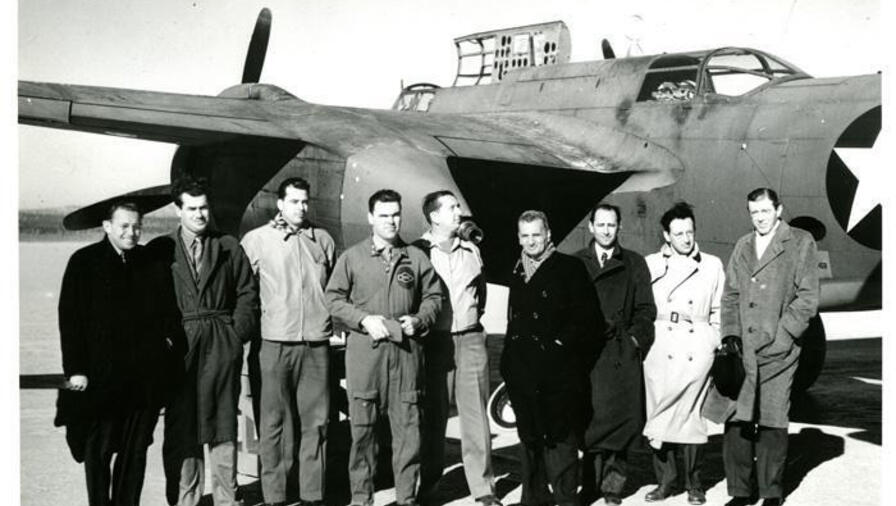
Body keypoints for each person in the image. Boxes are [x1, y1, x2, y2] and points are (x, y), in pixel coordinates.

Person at [325, 189, 442, 506]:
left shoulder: (415, 258)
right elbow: (333, 299)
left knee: (409, 433)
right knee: (362, 434)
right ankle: (361, 499)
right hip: (367, 355)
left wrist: (418, 320)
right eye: (384, 215)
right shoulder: (352, 258)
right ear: (370, 218)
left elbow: (434, 298)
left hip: (406, 356)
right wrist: (363, 320)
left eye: (395, 214)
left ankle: (406, 498)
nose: (391, 221)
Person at [56, 201, 178, 506]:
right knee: (98, 454)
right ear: (107, 226)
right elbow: (70, 321)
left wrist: (166, 351)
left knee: (134, 455)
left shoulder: (148, 263)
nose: (131, 232)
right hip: (101, 381)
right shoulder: (84, 262)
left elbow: (166, 314)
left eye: (137, 226)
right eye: (124, 226)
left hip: (141, 383)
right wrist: (76, 369)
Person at [149, 176, 259, 506]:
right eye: (193, 208)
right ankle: (186, 500)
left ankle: (227, 499)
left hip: (220, 344)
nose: (200, 214)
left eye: (204, 207)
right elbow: (149, 301)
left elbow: (247, 293)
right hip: (180, 349)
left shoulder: (227, 246)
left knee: (223, 426)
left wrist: (235, 334)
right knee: (183, 429)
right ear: (178, 210)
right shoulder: (160, 250)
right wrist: (164, 341)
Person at [715, 188, 819, 506]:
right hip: (743, 350)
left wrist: (785, 335)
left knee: (773, 420)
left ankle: (771, 491)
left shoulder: (800, 242)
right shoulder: (743, 245)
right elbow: (731, 295)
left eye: (764, 211)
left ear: (779, 210)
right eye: (754, 213)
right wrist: (730, 335)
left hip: (779, 352)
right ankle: (741, 492)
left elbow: (808, 298)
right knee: (737, 421)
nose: (759, 218)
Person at [240, 177, 335, 506]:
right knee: (274, 424)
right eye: (294, 201)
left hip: (316, 346)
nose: (301, 207)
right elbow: (244, 293)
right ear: (280, 204)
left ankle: (312, 495)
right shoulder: (257, 241)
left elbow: (335, 290)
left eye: (305, 201)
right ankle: (276, 496)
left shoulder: (322, 240)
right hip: (275, 344)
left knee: (317, 422)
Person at [502, 210, 600, 506]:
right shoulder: (519, 268)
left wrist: (558, 345)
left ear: (548, 235)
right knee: (530, 439)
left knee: (560, 439)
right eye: (525, 235)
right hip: (522, 371)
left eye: (536, 235)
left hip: (557, 372)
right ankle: (533, 499)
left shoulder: (569, 267)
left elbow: (588, 320)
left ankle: (565, 499)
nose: (531, 241)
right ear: (519, 237)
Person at [415, 191, 500, 506]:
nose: (458, 211)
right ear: (434, 216)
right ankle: (429, 486)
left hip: (470, 338)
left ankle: (484, 488)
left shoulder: (471, 250)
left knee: (476, 414)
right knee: (433, 415)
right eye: (451, 208)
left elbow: (481, 293)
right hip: (436, 343)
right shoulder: (418, 251)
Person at [641, 203, 725, 505]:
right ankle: (665, 481)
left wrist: (712, 339)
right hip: (661, 347)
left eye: (690, 232)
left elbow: (719, 308)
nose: (686, 239)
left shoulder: (712, 264)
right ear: (666, 235)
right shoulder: (650, 263)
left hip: (696, 346)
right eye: (678, 234)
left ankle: (694, 484)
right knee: (660, 417)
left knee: (692, 418)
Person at [576, 202, 656, 506]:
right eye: (602, 225)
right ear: (591, 227)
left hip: (620, 351)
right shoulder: (576, 263)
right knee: (588, 419)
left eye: (612, 225)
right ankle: (589, 483)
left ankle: (612, 487)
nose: (607, 231)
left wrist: (635, 340)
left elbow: (646, 309)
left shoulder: (634, 263)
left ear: (618, 227)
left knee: (620, 423)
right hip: (588, 352)